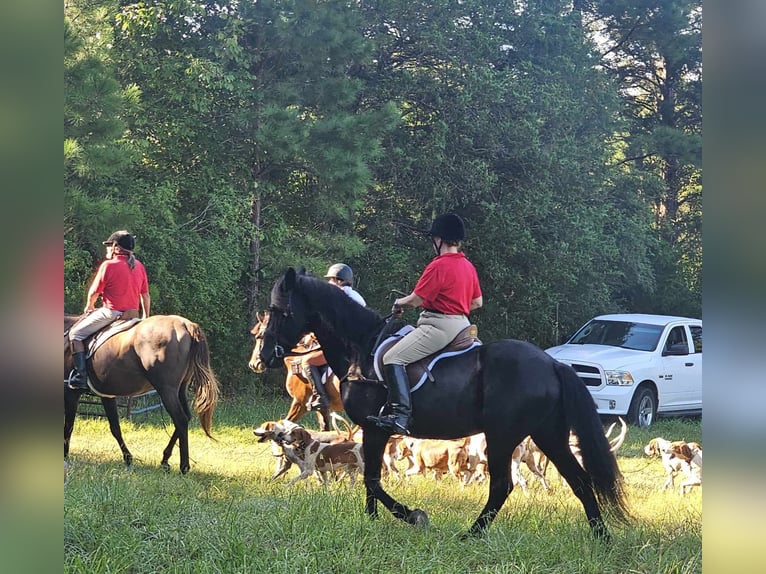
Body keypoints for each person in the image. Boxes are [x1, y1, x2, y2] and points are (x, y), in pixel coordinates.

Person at [366, 213, 482, 434]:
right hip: (463, 326)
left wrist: (399, 303)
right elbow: (477, 302)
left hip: (439, 326)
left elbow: (416, 299)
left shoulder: (439, 265)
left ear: (440, 239)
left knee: (392, 357)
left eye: (434, 239)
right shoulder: (468, 266)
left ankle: (399, 416)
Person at [67, 230, 151, 390]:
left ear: (115, 247)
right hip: (133, 316)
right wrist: (146, 317)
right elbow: (145, 295)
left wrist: (89, 306)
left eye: (109, 245)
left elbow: (94, 292)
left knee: (75, 334)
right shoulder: (139, 266)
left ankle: (80, 376)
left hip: (111, 313)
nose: (107, 249)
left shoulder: (109, 265)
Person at [301, 263, 367, 410]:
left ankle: (320, 398)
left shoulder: (339, 296)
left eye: (331, 280)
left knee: (308, 361)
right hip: (361, 343)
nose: (329, 283)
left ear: (339, 280)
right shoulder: (356, 296)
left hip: (346, 346)